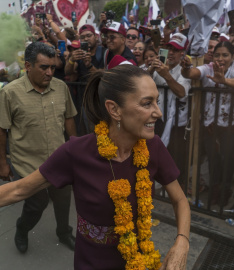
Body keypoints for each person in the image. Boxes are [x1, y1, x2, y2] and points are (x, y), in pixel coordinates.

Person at [0, 65, 191, 270]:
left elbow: (180, 200)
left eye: (157, 102)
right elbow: (19, 190)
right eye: (147, 103)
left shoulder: (154, 147)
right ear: (114, 109)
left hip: (139, 259)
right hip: (91, 262)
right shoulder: (76, 152)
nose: (158, 112)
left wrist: (182, 241)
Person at [0, 42, 77, 253]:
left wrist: (77, 149)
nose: (50, 72)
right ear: (27, 66)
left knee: (63, 201)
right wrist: (2, 163)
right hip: (28, 165)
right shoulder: (10, 93)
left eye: (52, 67)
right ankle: (22, 229)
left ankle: (64, 232)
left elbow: (69, 118)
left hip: (59, 162)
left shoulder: (61, 88)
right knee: (37, 203)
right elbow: (2, 129)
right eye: (44, 67)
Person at [181, 41, 234, 206]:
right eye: (217, 55)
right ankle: (215, 191)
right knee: (213, 160)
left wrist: (224, 80)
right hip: (210, 125)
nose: (220, 58)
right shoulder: (208, 67)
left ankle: (224, 191)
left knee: (227, 160)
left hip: (231, 125)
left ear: (232, 56)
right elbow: (191, 74)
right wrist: (186, 68)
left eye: (225, 55)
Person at [151, 33, 191, 184]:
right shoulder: (158, 66)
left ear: (183, 53)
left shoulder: (185, 70)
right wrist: (150, 69)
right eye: (169, 48)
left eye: (176, 49)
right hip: (156, 119)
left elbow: (182, 93)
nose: (172, 53)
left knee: (173, 159)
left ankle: (173, 191)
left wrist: (166, 75)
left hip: (175, 123)